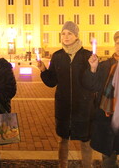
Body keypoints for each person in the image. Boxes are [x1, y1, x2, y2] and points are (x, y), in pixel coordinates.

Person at [37, 21, 95, 168]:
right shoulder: (57, 56)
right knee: (63, 139)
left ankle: (87, 165)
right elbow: (52, 82)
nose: (66, 36)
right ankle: (63, 165)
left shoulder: (87, 56)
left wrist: (93, 69)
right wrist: (44, 70)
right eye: (63, 33)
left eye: (69, 33)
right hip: (63, 106)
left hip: (83, 106)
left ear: (76, 36)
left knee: (85, 140)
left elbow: (92, 84)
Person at [83, 31, 119, 168]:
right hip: (108, 119)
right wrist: (93, 69)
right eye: (117, 43)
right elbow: (91, 85)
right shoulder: (105, 65)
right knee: (109, 160)